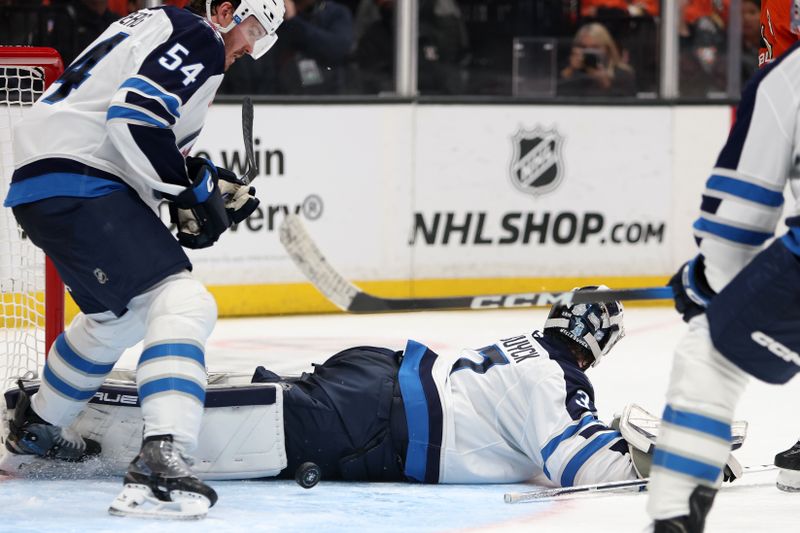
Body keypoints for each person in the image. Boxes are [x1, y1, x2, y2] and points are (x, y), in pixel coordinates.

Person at [1, 0, 284, 520]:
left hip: (45, 184)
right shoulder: (199, 35)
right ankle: (162, 457)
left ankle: (36, 426)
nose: (252, 46)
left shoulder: (160, 24)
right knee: (183, 300)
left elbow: (135, 131)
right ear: (225, 10)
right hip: (83, 179)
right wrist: (192, 188)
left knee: (119, 317)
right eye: (254, 27)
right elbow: (134, 117)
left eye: (266, 37)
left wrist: (190, 182)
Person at [645, 38, 800, 531]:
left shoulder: (789, 75)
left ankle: (675, 516)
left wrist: (706, 282)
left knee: (710, 355)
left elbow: (740, 213)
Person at [220, 0, 353, 95]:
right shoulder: (265, 12)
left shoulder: (336, 13)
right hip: (271, 96)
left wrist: (293, 20)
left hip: (327, 98)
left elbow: (338, 49)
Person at [558, 22, 636, 97]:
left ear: (607, 49)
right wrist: (570, 71)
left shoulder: (623, 74)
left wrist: (606, 84)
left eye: (595, 47)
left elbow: (630, 104)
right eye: (583, 47)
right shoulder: (571, 71)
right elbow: (556, 97)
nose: (589, 51)